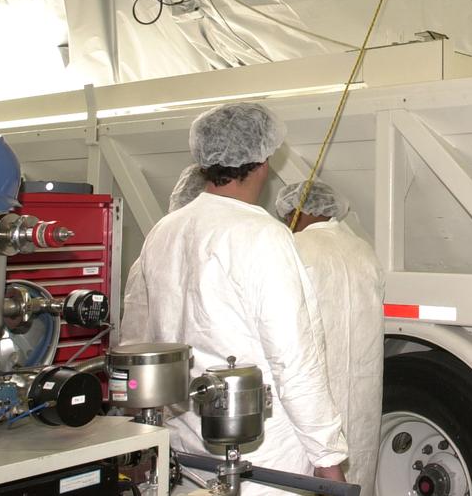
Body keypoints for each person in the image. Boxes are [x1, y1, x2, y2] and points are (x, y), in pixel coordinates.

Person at [121, 103, 348, 493]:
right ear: (263, 159)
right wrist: (328, 460)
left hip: (187, 448)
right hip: (261, 457)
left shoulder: (165, 230)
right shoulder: (261, 235)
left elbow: (137, 341)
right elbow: (293, 359)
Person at [275, 180, 385, 496]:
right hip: (361, 397)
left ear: (297, 210)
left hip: (313, 402)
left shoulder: (294, 249)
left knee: (307, 480)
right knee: (357, 472)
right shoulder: (364, 251)